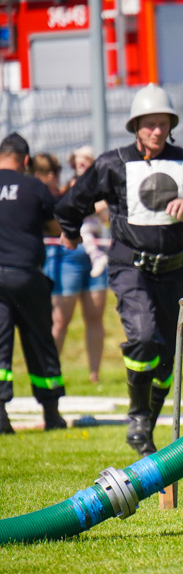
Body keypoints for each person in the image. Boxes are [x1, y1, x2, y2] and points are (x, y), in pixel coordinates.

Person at [55, 83, 183, 456]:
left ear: (171, 126)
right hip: (128, 266)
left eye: (162, 124)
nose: (155, 131)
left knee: (167, 359)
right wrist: (69, 232)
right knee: (145, 337)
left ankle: (147, 426)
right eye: (148, 124)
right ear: (135, 127)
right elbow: (72, 201)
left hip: (172, 271)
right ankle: (137, 416)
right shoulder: (112, 163)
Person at [0, 133, 66, 433]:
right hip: (26, 275)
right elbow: (56, 225)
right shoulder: (34, 186)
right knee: (40, 343)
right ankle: (52, 414)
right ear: (26, 160)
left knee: (0, 347)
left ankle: (1, 419)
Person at [34, 153, 108, 385]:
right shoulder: (56, 193)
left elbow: (106, 217)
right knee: (60, 320)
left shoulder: (94, 189)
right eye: (78, 164)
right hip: (64, 256)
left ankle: (94, 375)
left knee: (95, 316)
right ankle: (50, 372)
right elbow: (60, 217)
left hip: (94, 253)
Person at [66, 145, 109, 279]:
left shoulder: (97, 180)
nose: (82, 163)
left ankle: (102, 258)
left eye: (86, 159)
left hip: (96, 219)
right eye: (79, 160)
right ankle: (97, 257)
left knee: (99, 238)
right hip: (85, 221)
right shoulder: (75, 182)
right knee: (85, 233)